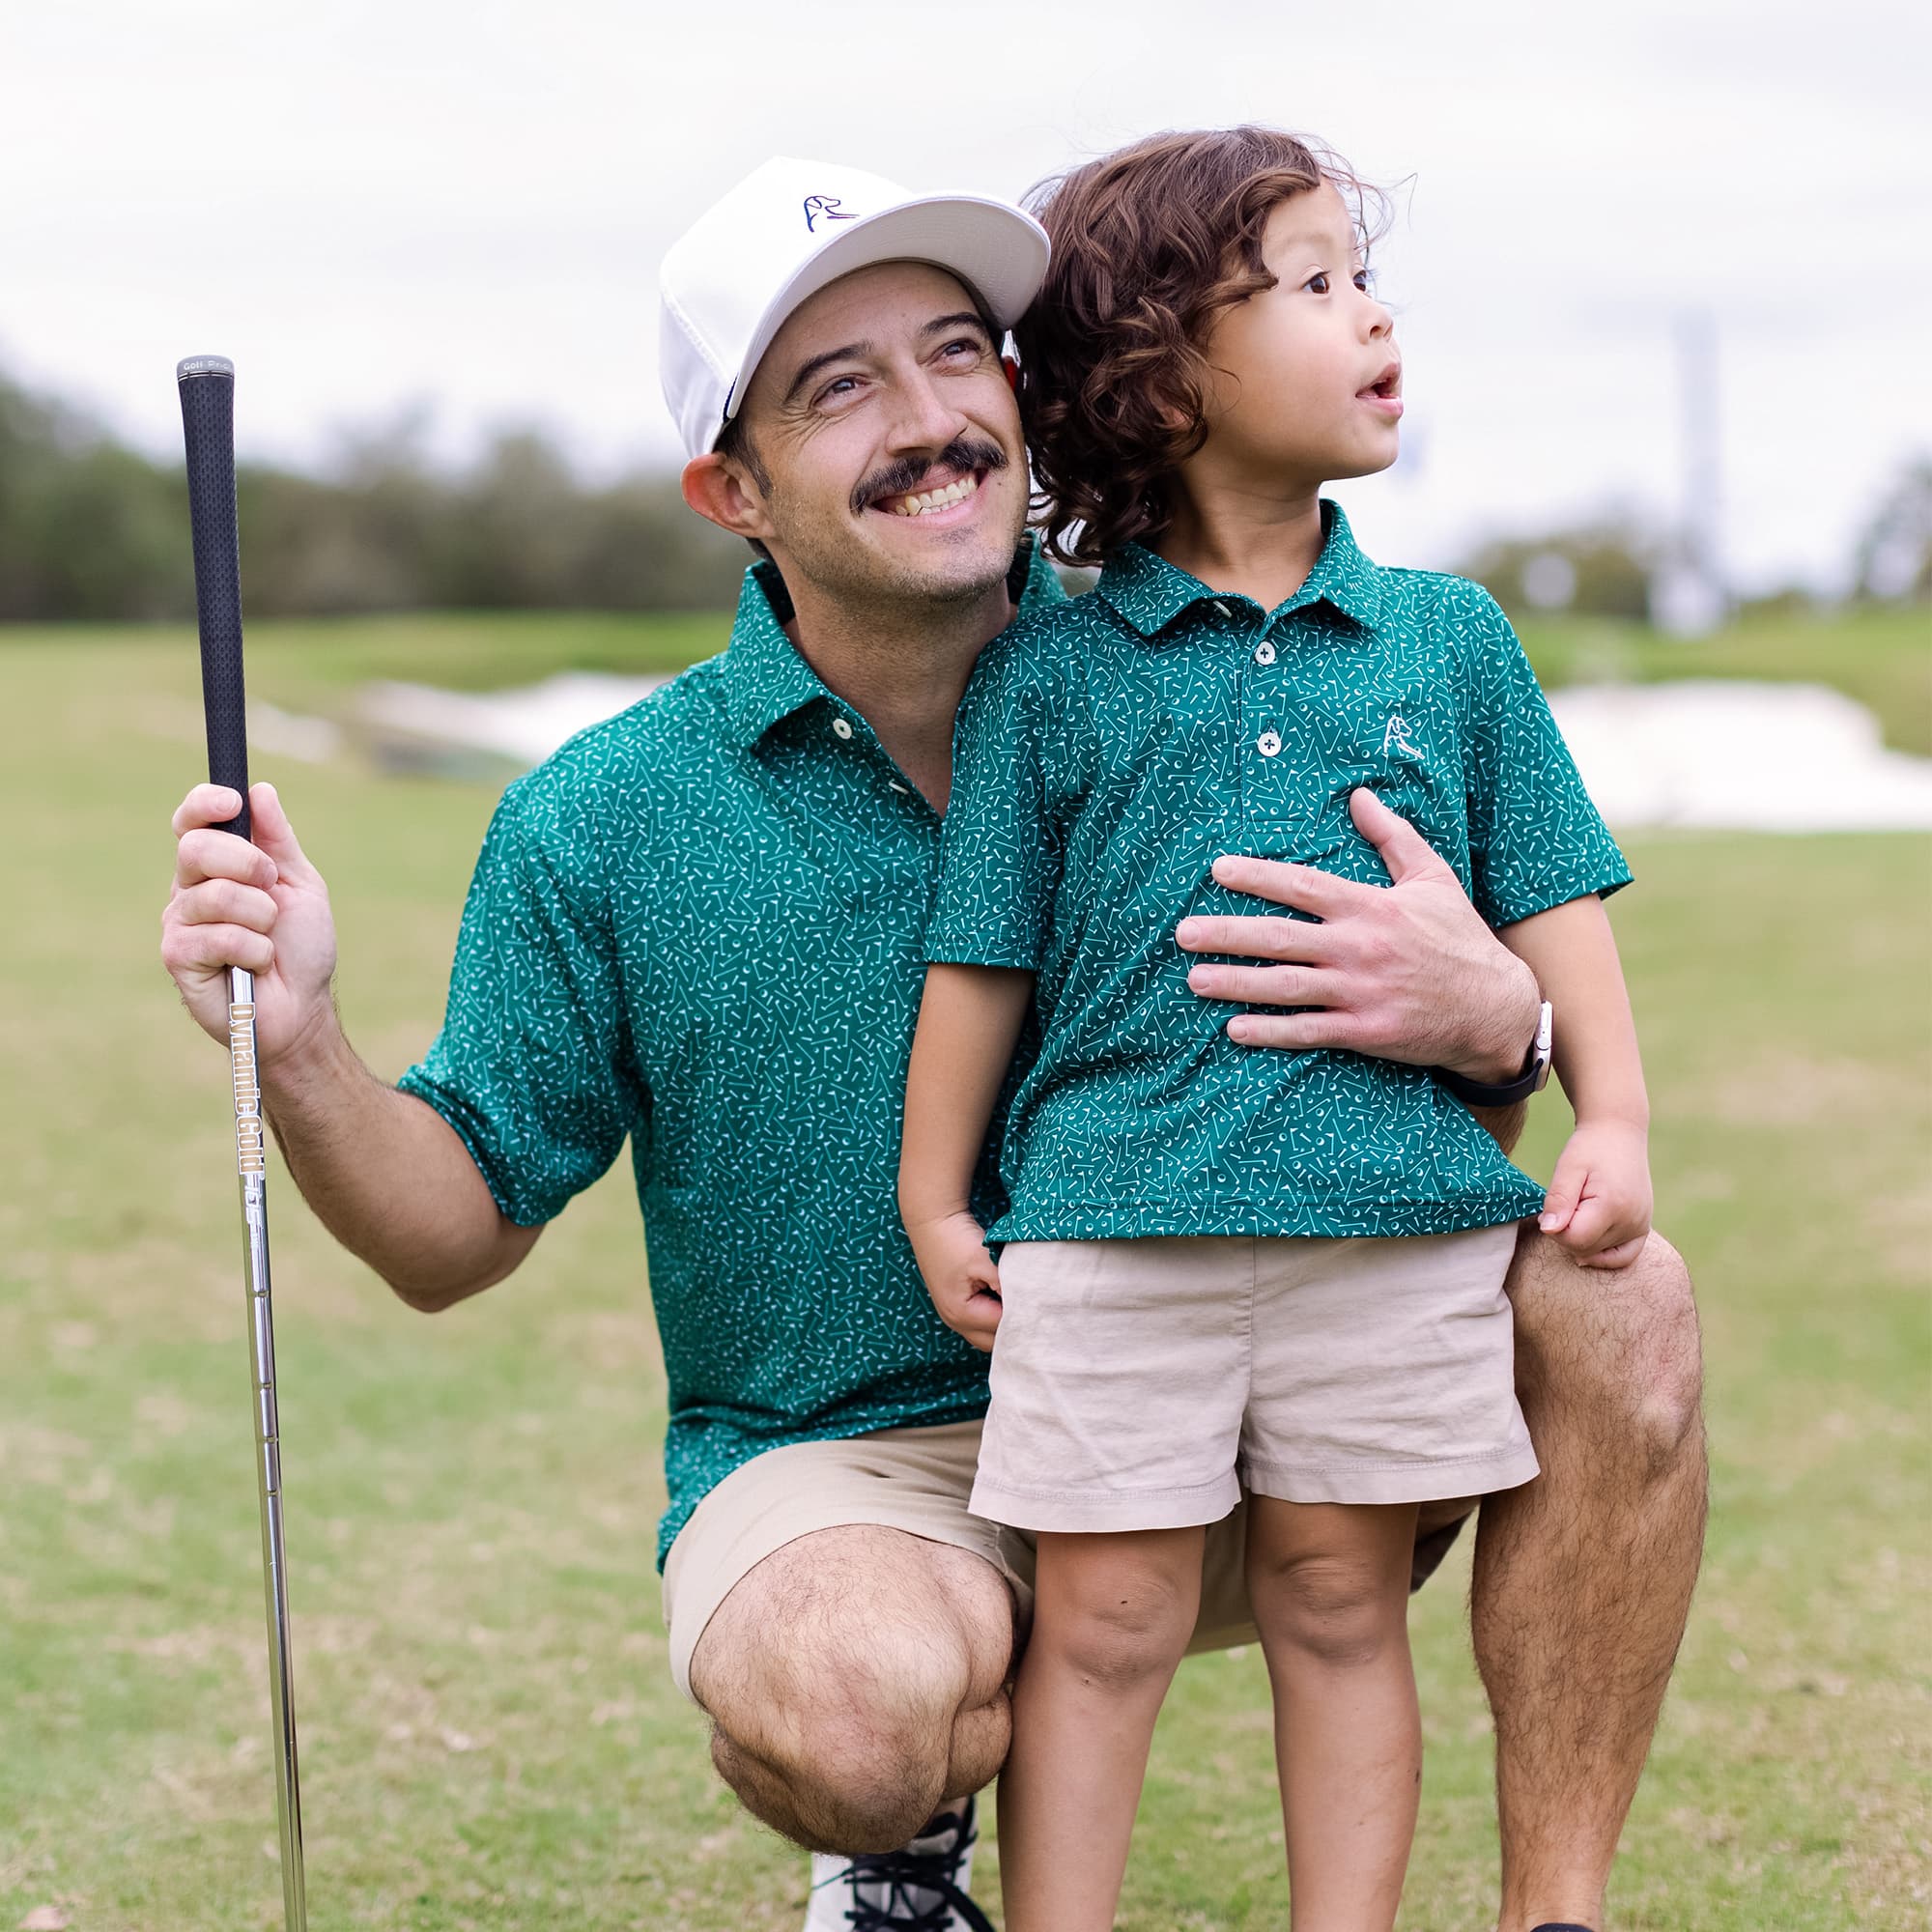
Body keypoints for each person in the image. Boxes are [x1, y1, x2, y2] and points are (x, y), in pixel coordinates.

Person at [159, 153, 1705, 1932]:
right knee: (854, 1702)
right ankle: (901, 1845)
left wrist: (1503, 1019)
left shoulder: (1245, 660)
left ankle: (1559, 1914)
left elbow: (1455, 1047)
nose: (933, 421)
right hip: (881, 1463)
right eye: (842, 387)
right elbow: (452, 1235)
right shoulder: (605, 820)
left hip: (1265, 1349)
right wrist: (302, 1041)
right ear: (729, 487)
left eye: (962, 353)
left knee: (1627, 1297)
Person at [897, 125, 1654, 1932]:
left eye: (1365, 277)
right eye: (1314, 286)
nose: (1375, 318)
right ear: (1161, 373)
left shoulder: (1450, 642)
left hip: (1392, 1236)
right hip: (1107, 1233)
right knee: (1103, 1625)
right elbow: (983, 954)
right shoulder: (1048, 671)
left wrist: (1609, 1112)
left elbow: (1553, 893)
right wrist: (939, 1198)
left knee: (1338, 1604)